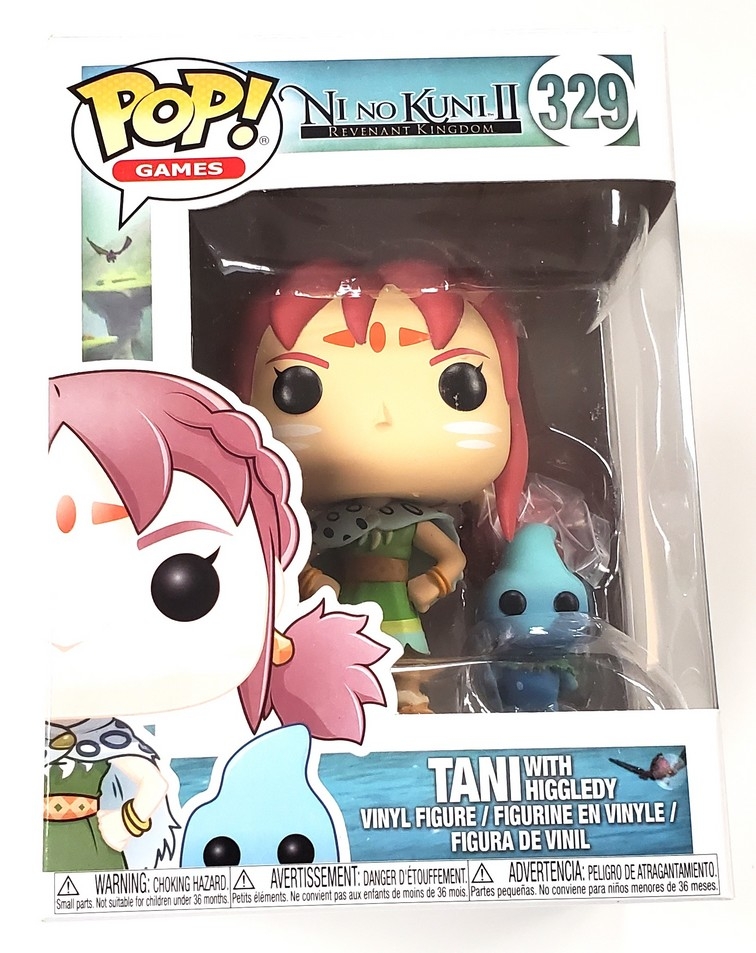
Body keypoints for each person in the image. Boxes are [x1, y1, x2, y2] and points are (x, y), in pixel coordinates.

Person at [46, 369, 392, 870]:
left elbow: (154, 783)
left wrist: (130, 821)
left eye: (183, 585)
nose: (66, 627)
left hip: (97, 852)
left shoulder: (112, 740)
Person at [235, 259, 528, 712]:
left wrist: (435, 581)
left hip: (398, 606)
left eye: (461, 384)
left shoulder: (413, 522)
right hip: (349, 606)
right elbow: (298, 556)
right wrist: (313, 578)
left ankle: (409, 697)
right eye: (297, 387)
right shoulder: (323, 525)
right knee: (345, 655)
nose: (383, 418)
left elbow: (453, 557)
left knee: (403, 661)